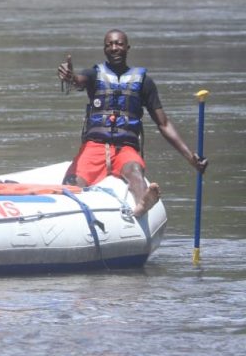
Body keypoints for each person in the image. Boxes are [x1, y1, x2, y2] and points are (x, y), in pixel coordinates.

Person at [57, 28, 208, 216]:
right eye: (109, 44)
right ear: (104, 49)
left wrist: (189, 157)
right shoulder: (94, 75)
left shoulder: (144, 82)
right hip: (95, 146)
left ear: (127, 47)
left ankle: (142, 204)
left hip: (126, 148)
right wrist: (70, 77)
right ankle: (68, 210)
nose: (114, 48)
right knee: (72, 182)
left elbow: (163, 123)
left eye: (119, 44)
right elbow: (78, 81)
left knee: (134, 170)